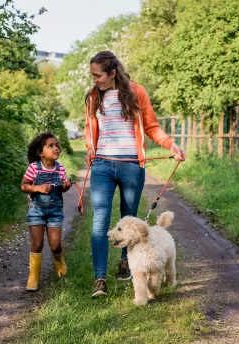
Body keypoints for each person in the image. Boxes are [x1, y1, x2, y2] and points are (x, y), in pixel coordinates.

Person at [85, 51, 185, 298]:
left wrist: (171, 145)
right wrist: (90, 148)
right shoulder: (93, 97)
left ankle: (125, 262)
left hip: (131, 165)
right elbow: (90, 129)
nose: (94, 80)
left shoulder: (136, 92)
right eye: (92, 76)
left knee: (128, 219)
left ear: (112, 72)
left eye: (98, 75)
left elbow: (151, 126)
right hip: (102, 166)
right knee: (100, 221)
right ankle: (100, 279)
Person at [20, 132, 72, 291]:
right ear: (41, 153)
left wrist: (65, 187)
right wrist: (37, 188)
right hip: (36, 211)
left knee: (55, 245)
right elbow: (23, 186)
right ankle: (33, 278)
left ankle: (59, 262)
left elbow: (62, 189)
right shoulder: (34, 168)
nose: (56, 148)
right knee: (37, 244)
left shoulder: (60, 168)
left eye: (57, 145)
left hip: (55, 211)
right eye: (51, 146)